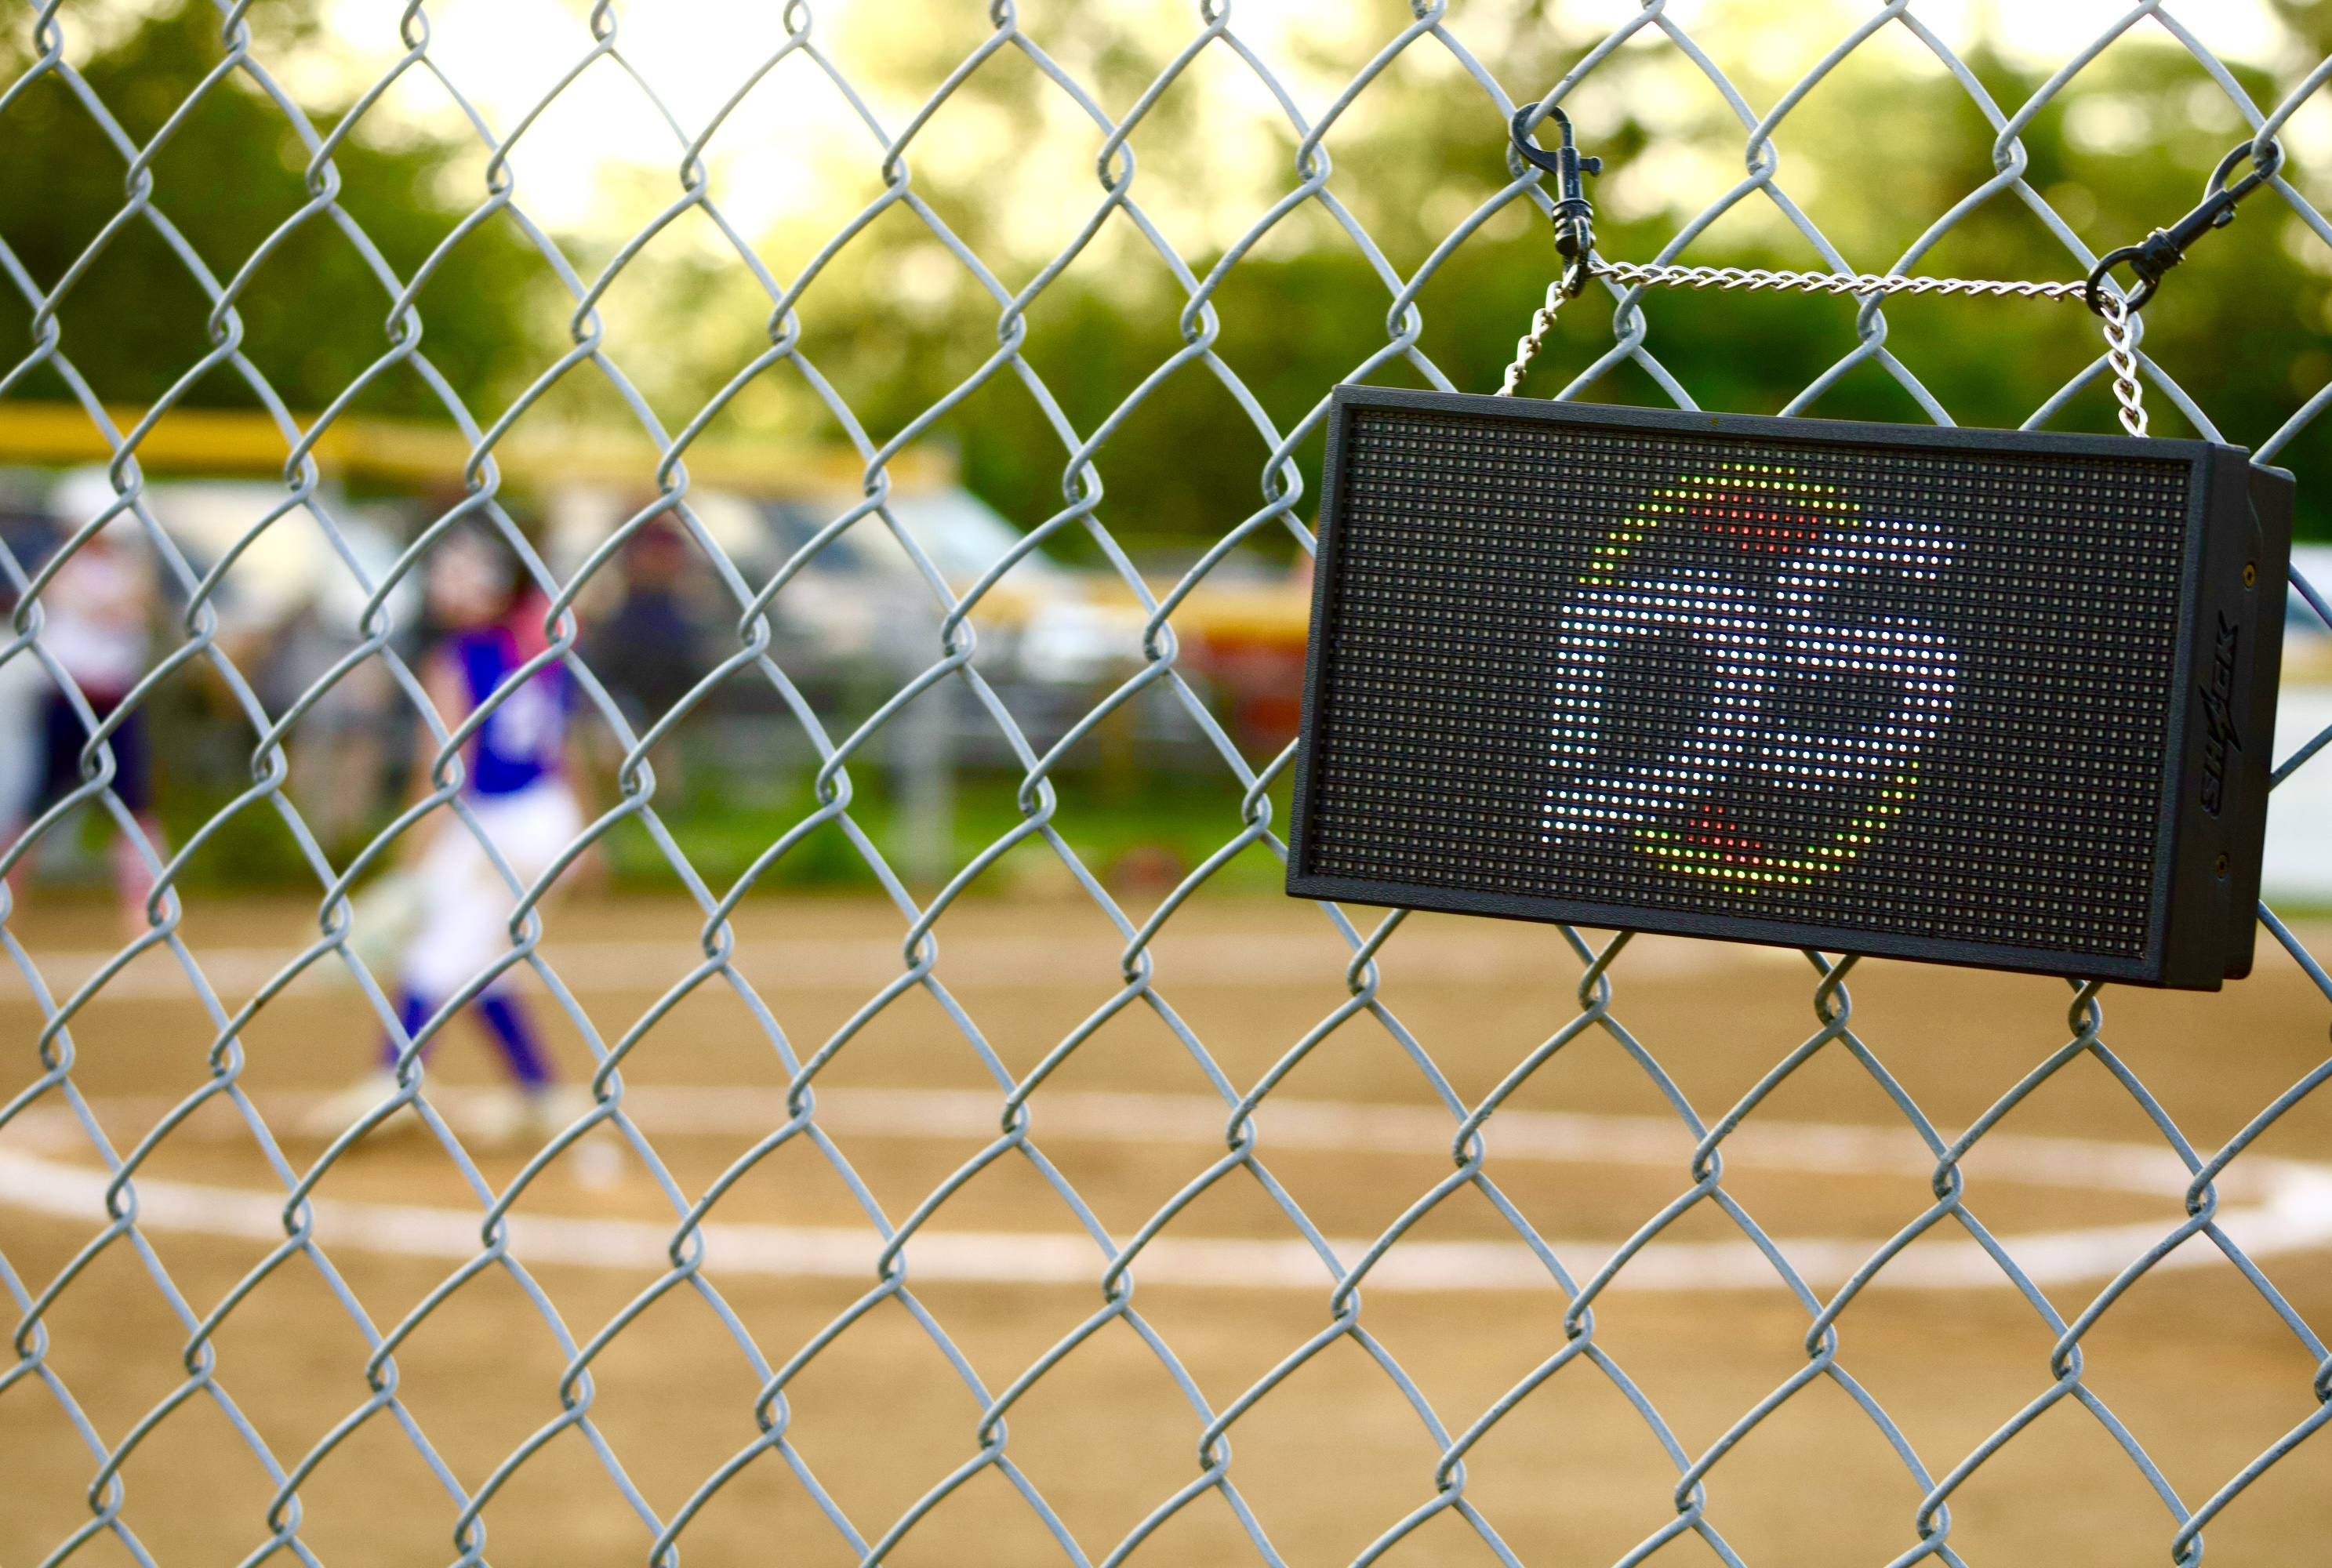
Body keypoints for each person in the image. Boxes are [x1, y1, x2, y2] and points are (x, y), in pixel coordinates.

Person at [308, 527, 594, 1149]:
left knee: (441, 947)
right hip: (544, 815)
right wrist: (587, 830)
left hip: (503, 820)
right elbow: (565, 745)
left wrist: (412, 859)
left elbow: (441, 766)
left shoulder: (457, 655)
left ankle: (393, 1079)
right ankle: (539, 1090)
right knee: (478, 959)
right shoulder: (538, 638)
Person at [7, 488, 165, 940]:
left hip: (116, 698)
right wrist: (122, 600)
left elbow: (138, 608)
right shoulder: (61, 565)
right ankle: (9, 894)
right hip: (68, 694)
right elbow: (102, 608)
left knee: (135, 800)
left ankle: (144, 901)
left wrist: (131, 591)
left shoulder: (128, 566)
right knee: (38, 801)